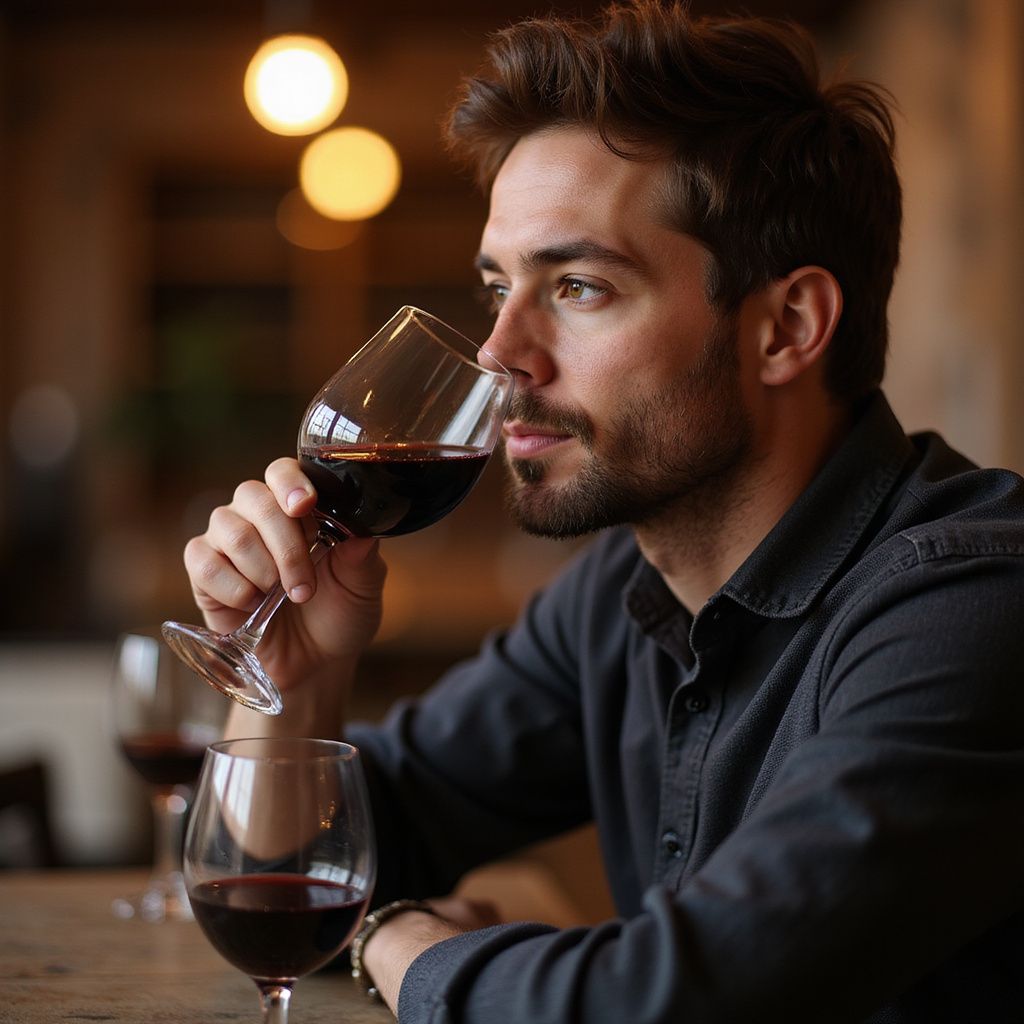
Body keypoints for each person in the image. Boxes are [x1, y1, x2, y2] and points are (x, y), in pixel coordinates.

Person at [182, 2, 1024, 1021]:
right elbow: (300, 869)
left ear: (785, 327)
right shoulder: (621, 598)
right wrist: (292, 677)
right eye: (498, 286)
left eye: (577, 286)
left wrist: (399, 942)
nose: (498, 355)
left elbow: (664, 1004)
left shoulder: (974, 605)